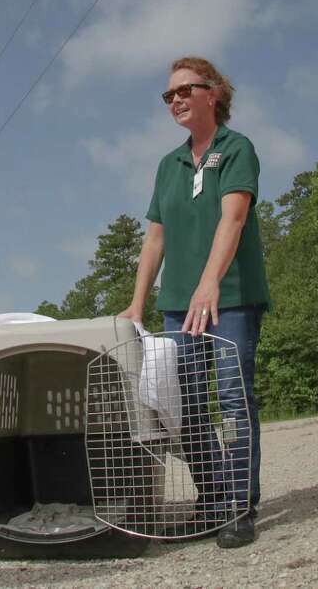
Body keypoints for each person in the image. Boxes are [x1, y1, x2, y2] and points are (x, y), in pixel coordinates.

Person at [119, 57, 270, 549]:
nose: (176, 100)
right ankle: (211, 501)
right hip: (178, 305)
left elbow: (234, 219)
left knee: (231, 398)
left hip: (229, 298)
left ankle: (238, 507)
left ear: (215, 94)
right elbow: (156, 237)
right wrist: (137, 304)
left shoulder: (236, 149)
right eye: (169, 95)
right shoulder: (169, 164)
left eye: (186, 90)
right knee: (185, 409)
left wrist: (209, 286)